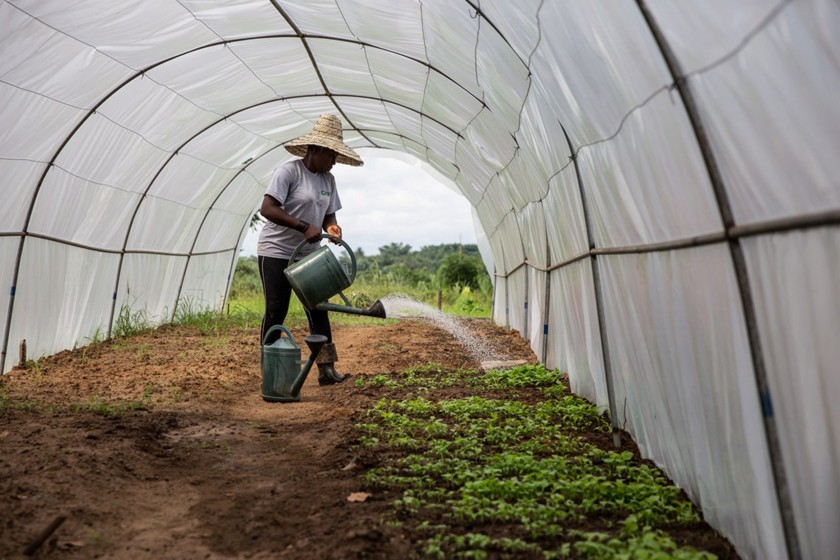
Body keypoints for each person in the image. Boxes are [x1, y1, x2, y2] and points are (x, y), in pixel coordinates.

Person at [256, 113, 363, 385]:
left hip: (309, 255)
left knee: (318, 310)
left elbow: (328, 215)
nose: (335, 161)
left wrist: (333, 227)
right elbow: (267, 209)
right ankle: (271, 371)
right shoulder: (289, 172)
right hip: (277, 252)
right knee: (276, 310)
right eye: (332, 155)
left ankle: (326, 370)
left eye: (337, 156)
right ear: (315, 150)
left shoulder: (329, 180)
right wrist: (303, 226)